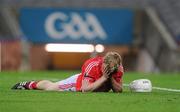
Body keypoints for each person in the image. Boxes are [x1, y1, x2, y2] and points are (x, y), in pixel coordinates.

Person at [12, 52, 124, 92]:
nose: (109, 70)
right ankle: (30, 84)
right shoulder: (92, 65)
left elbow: (118, 90)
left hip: (97, 85)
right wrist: (104, 78)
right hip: (77, 84)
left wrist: (110, 77)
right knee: (51, 88)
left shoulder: (117, 69)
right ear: (103, 62)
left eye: (112, 69)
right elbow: (85, 89)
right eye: (107, 67)